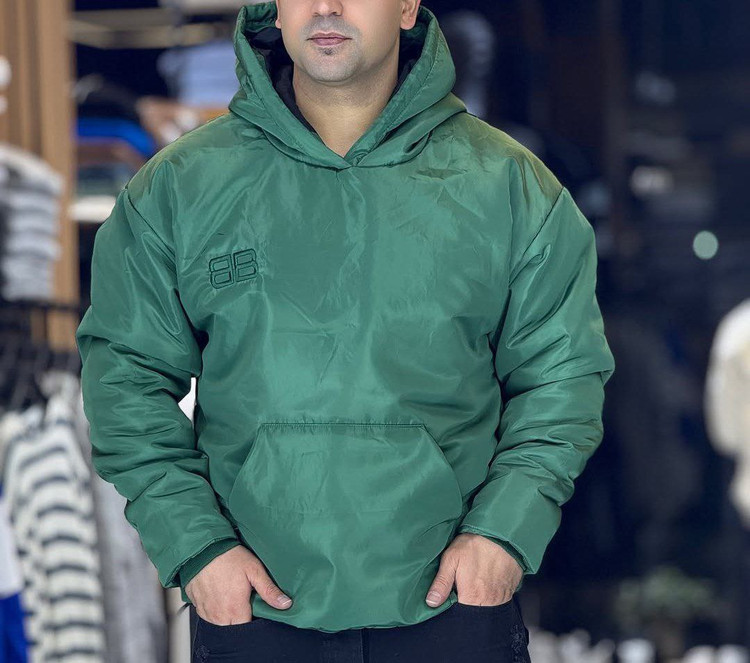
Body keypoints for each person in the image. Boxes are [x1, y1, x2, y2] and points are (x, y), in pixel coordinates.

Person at [75, 0, 616, 661]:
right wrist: (197, 546)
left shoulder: (509, 186)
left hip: (452, 602)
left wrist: (504, 532)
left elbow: (562, 378)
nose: (326, 6)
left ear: (407, 6)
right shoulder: (179, 189)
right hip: (253, 608)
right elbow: (123, 379)